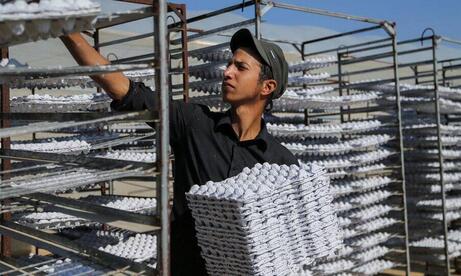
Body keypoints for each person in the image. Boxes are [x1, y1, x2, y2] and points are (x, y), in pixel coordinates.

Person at [61, 28, 298, 275]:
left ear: (267, 86)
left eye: (241, 67)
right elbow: (124, 89)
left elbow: (285, 246)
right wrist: (66, 29)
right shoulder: (195, 124)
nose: (227, 72)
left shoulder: (282, 164)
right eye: (229, 64)